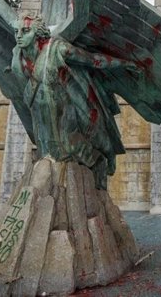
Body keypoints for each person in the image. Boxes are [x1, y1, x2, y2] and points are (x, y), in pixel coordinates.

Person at [11, 13, 136, 189]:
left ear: (38, 33)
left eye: (25, 31)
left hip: (65, 108)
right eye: (16, 31)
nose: (18, 36)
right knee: (47, 155)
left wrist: (123, 63)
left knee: (72, 147)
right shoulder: (17, 56)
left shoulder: (58, 49)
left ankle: (99, 166)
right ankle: (53, 194)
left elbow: (93, 60)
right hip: (39, 112)